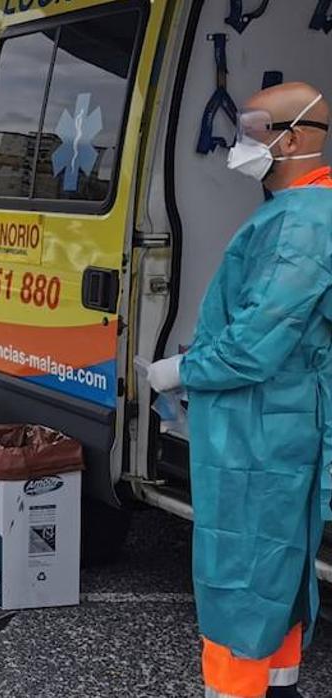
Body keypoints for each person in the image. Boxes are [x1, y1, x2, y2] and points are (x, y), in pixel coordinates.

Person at [148, 82, 332, 698]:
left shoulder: (304, 220)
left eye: (255, 126)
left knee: (242, 576)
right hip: (270, 423)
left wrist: (181, 370)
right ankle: (277, 685)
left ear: (296, 138)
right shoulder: (299, 212)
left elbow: (257, 341)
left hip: (261, 430)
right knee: (275, 570)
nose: (241, 138)